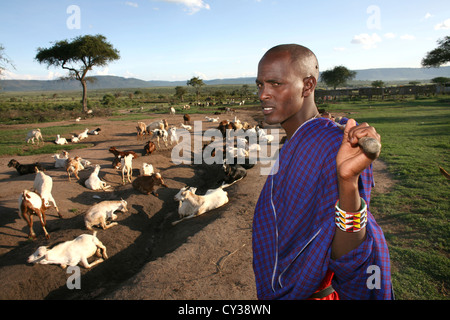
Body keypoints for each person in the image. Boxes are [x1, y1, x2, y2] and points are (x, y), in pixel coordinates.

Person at [252, 44, 393, 300]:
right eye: (260, 84)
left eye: (275, 83)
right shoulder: (296, 142)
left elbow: (348, 256)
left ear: (307, 86)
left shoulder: (331, 145)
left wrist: (348, 181)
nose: (263, 94)